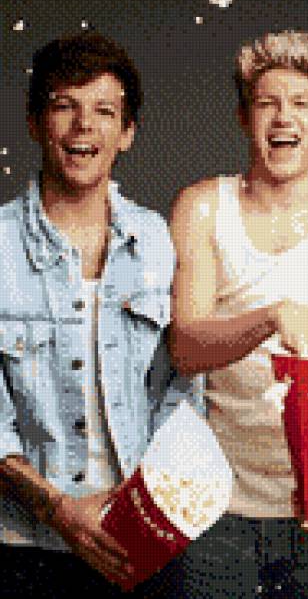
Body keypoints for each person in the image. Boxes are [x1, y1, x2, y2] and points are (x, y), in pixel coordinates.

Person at [166, 30, 308, 598]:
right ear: (244, 118)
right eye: (267, 104)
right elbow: (185, 349)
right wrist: (271, 316)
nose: (283, 119)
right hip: (212, 501)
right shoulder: (202, 209)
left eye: (301, 104)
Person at [0, 31, 197, 598]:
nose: (84, 126)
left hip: (143, 539)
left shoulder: (156, 240)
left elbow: (184, 386)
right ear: (35, 123)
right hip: (25, 547)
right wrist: (58, 509)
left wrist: (141, 499)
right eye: (65, 106)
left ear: (127, 132)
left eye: (104, 111)